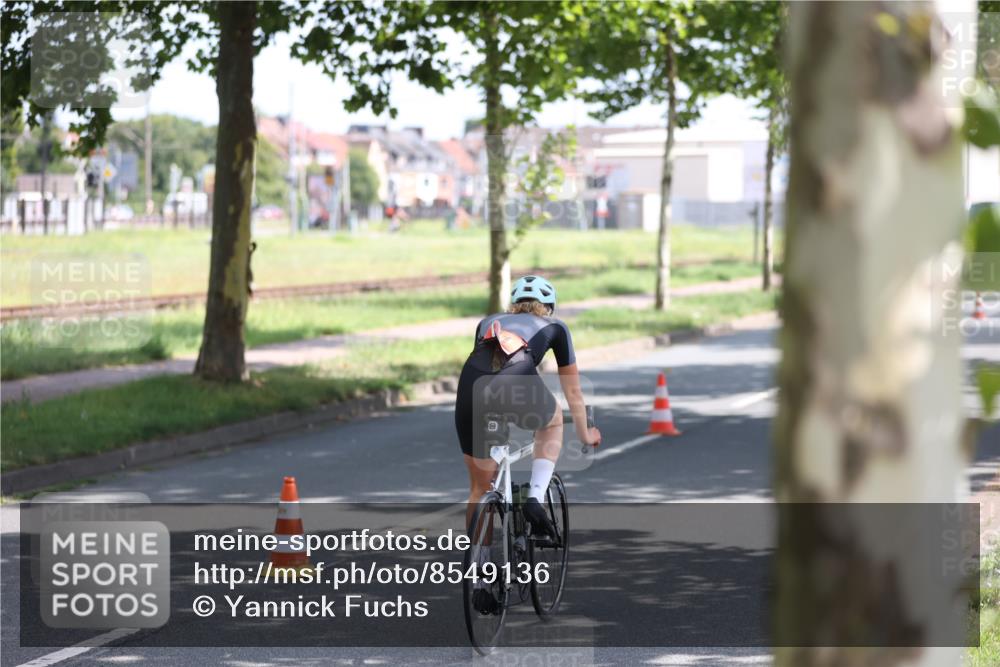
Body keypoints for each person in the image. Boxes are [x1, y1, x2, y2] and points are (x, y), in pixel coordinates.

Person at [455, 275, 602, 536]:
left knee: (480, 488)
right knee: (553, 420)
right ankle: (535, 498)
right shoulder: (555, 326)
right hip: (517, 379)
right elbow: (573, 390)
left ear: (513, 304)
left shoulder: (487, 322)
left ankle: (477, 560)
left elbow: (489, 366)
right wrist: (585, 433)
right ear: (549, 307)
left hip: (470, 387)